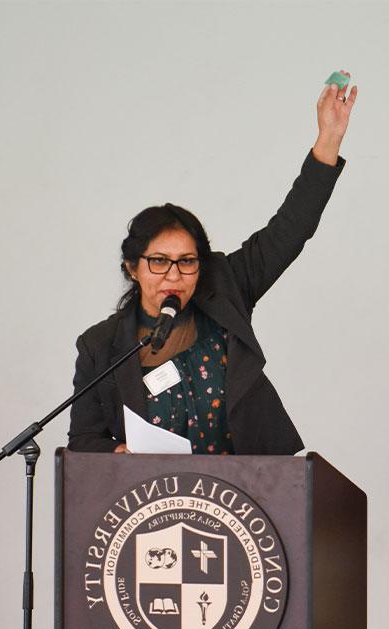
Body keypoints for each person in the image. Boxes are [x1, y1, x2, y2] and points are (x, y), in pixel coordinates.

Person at [68, 74, 357, 455]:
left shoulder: (226, 288)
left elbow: (290, 229)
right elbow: (83, 441)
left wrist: (329, 139)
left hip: (249, 493)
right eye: (159, 262)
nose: (174, 275)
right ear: (131, 267)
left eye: (187, 262)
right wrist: (117, 455)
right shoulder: (101, 347)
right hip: (155, 502)